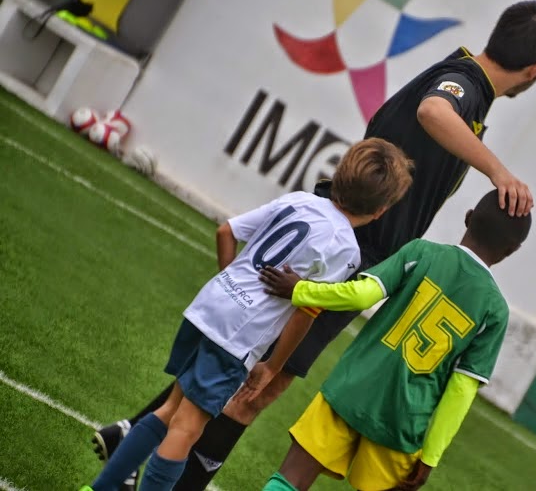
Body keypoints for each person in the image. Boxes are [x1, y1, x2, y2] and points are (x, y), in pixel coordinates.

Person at [90, 0, 536, 490]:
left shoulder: (468, 85)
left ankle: (132, 437)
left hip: (344, 236)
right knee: (257, 385)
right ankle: (154, 465)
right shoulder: (464, 84)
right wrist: (498, 172)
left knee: (239, 365)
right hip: (350, 249)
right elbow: (433, 111)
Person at [82, 139, 413, 491]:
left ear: (338, 175)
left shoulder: (298, 200)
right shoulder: (345, 249)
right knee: (187, 427)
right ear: (381, 211)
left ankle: (99, 488)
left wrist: (228, 282)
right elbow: (307, 310)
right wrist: (272, 366)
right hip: (238, 334)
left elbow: (226, 231)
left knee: (169, 410)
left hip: (209, 307)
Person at [258, 189, 531, 491]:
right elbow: (461, 390)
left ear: (468, 218)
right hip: (404, 421)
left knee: (291, 479)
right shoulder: (495, 310)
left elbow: (362, 295)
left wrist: (300, 289)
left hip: (352, 388)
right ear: (512, 250)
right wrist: (431, 455)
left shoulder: (422, 252)